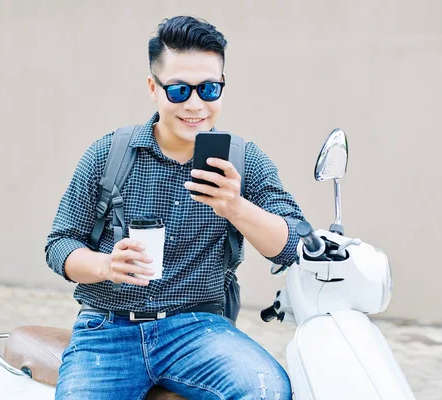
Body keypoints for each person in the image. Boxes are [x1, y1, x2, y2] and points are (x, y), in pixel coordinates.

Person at [45, 15, 305, 400]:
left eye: (209, 89)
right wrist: (105, 265)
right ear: (154, 88)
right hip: (107, 331)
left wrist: (236, 207)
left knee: (266, 391)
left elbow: (292, 242)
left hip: (197, 329)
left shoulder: (243, 162)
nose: (196, 105)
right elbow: (59, 244)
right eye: (180, 90)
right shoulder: (109, 153)